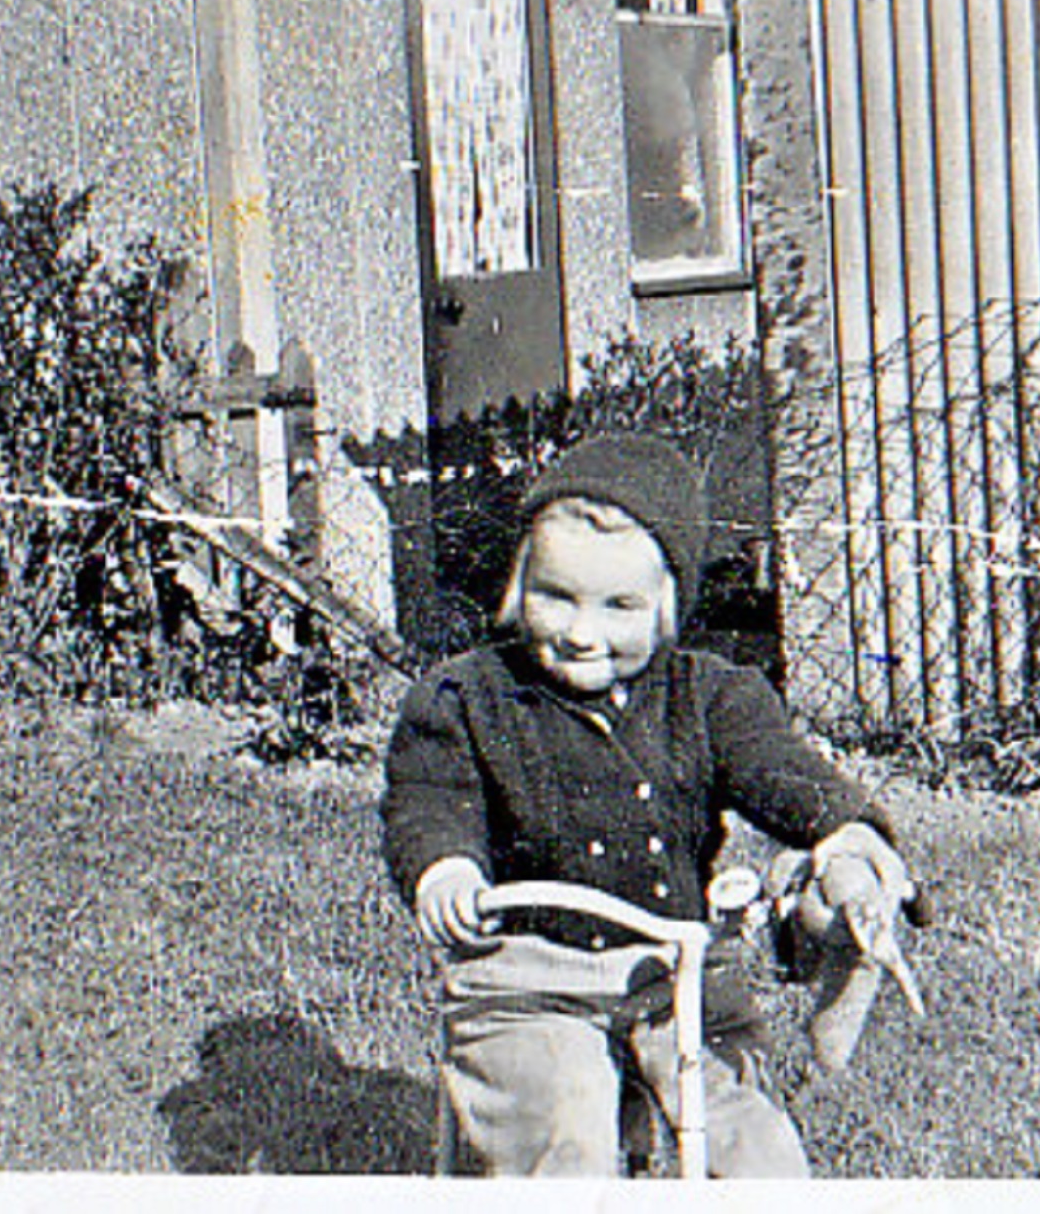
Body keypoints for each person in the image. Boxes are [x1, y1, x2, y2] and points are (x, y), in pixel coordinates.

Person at [380, 432, 913, 1177]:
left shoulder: (708, 698)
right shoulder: (468, 697)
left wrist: (847, 833)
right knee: (565, 1132)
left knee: (756, 1146)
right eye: (555, 595)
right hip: (528, 979)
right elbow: (430, 796)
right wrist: (444, 867)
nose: (580, 631)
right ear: (518, 580)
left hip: (675, 974)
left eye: (619, 605)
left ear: (667, 603)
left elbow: (781, 769)